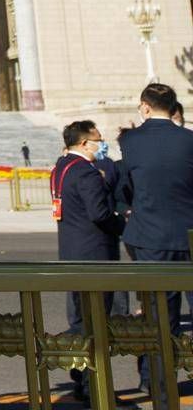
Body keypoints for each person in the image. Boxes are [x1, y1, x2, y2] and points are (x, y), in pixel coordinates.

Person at [118, 83, 193, 397]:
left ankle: (158, 383)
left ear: (145, 107)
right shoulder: (188, 139)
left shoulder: (131, 140)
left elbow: (127, 186)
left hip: (150, 237)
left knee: (158, 315)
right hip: (189, 234)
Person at [54, 120, 125, 404]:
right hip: (94, 254)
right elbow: (99, 214)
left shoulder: (62, 166)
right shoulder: (86, 171)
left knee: (81, 319)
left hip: (72, 252)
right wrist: (123, 224)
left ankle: (80, 372)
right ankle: (92, 384)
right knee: (95, 322)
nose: (101, 144)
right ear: (84, 143)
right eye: (98, 139)